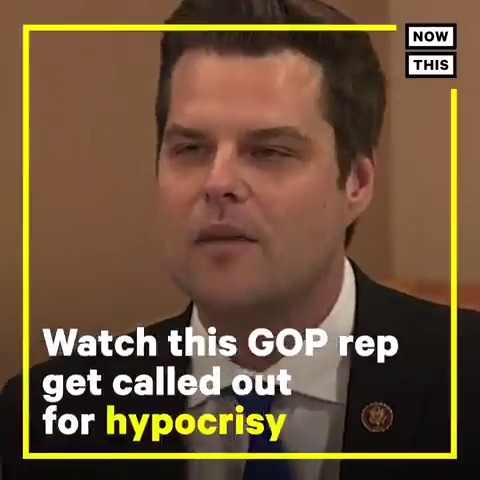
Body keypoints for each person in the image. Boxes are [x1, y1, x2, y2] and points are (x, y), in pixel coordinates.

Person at [1, 0, 479, 479]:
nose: (218, 182)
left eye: (269, 151)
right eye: (191, 148)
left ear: (356, 182)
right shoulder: (44, 419)